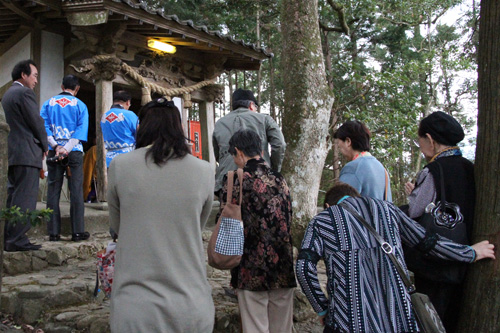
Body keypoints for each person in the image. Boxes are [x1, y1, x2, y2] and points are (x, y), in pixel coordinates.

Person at [296, 182, 495, 333]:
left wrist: (322, 309)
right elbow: (428, 242)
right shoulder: (388, 210)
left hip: (348, 322)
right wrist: (470, 252)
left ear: (329, 205)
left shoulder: (323, 219)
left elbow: (304, 268)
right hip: (399, 319)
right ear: (358, 196)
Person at [108, 98, 214, 332]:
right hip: (192, 306)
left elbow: (118, 226)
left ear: (141, 128)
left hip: (134, 309)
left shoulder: (120, 166)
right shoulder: (205, 171)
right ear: (180, 129)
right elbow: (198, 224)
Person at [217, 129, 296, 332]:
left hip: (250, 268)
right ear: (260, 149)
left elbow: (224, 223)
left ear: (238, 152)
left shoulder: (235, 181)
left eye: (233, 155)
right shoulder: (281, 180)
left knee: (255, 327)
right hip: (283, 266)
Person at [403, 111, 475, 332]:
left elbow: (416, 210)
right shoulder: (469, 167)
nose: (421, 146)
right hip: (467, 253)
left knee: (431, 320)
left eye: (420, 140)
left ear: (430, 140)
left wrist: (413, 194)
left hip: (437, 260)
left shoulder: (433, 170)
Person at [2, 60, 48, 251]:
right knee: (25, 197)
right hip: (28, 151)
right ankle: (17, 239)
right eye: (35, 75)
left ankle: (9, 236)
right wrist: (45, 145)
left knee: (13, 196)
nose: (36, 80)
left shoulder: (7, 94)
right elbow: (36, 121)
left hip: (14, 151)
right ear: (24, 74)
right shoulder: (24, 93)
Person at [40, 75, 89, 242]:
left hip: (54, 151)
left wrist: (56, 147)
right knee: (76, 189)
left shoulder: (48, 103)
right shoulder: (81, 105)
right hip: (74, 151)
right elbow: (81, 129)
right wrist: (67, 148)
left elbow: (43, 127)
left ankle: (53, 232)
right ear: (77, 89)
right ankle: (77, 232)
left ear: (62, 86)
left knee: (53, 190)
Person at [213, 88, 286, 195]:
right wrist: (273, 170)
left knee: (229, 210)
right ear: (251, 105)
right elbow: (280, 145)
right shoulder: (264, 119)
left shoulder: (219, 123)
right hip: (259, 180)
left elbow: (217, 153)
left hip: (226, 182)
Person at [334, 120, 392, 201]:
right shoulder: (382, 169)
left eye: (339, 146)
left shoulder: (353, 168)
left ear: (348, 142)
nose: (340, 150)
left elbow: (342, 208)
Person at [100, 90, 138, 168]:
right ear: (128, 102)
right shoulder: (129, 114)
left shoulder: (104, 116)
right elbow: (141, 133)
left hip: (109, 159)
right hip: (127, 157)